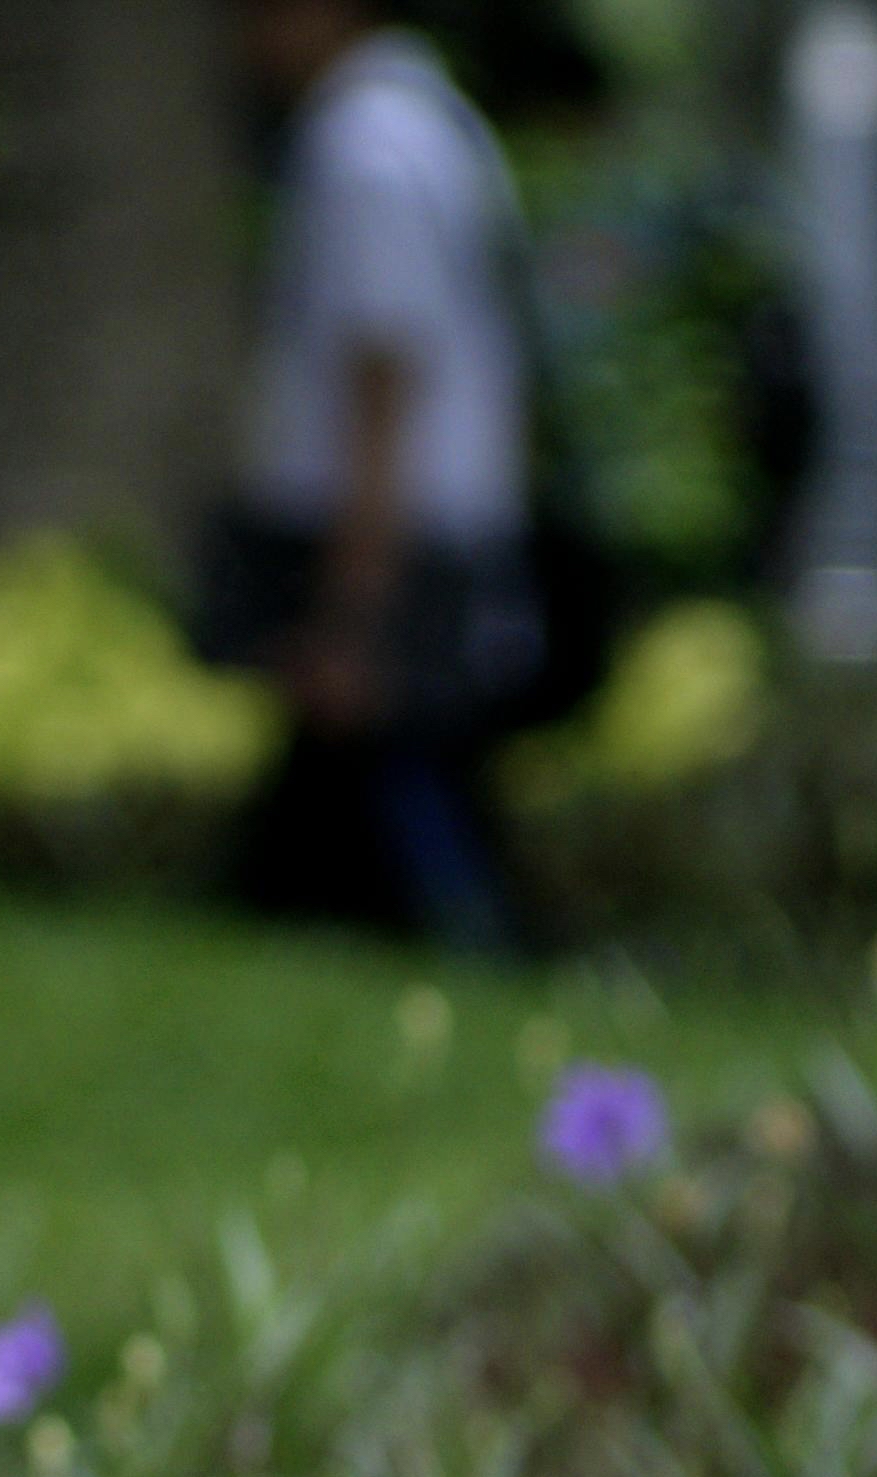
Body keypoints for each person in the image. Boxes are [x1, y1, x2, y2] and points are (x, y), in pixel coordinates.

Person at [206, 2, 542, 950]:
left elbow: (384, 371)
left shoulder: (366, 148)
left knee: (403, 790)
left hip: (395, 532)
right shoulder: (435, 124)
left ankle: (484, 950)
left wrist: (352, 604)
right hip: (431, 523)